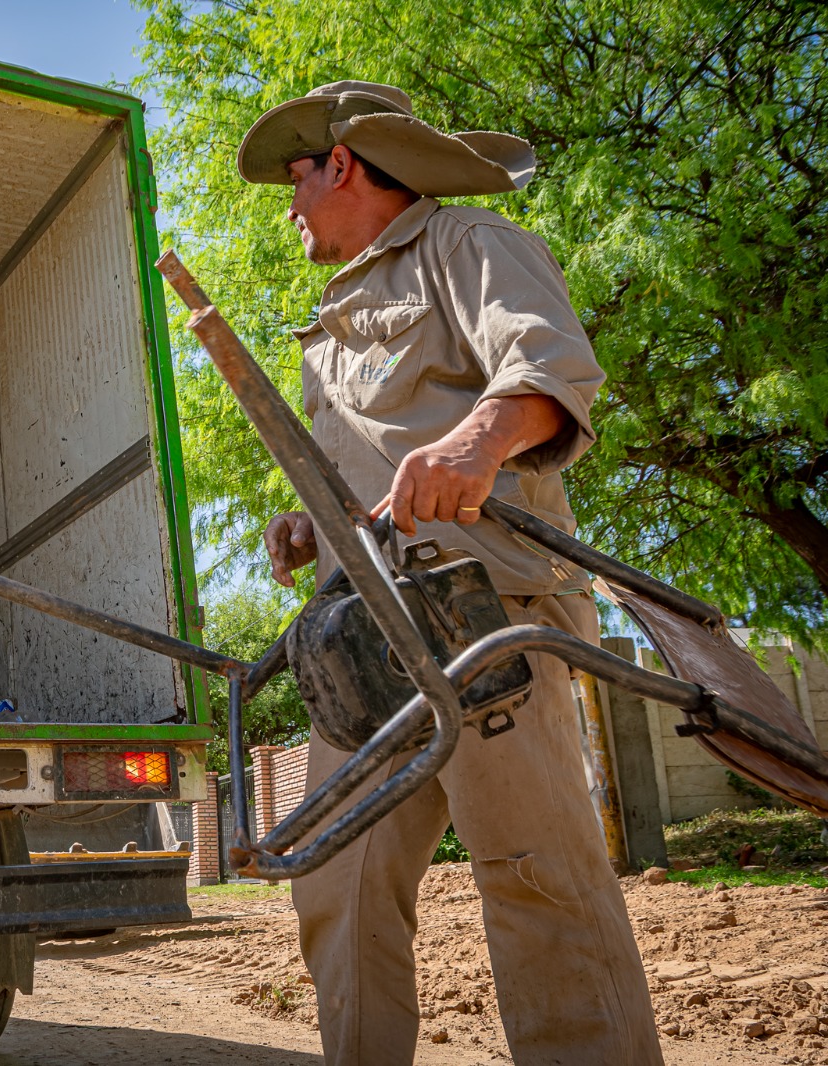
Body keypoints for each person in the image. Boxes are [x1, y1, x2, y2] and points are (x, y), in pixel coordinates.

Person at [236, 82, 664, 1064]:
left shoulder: (466, 242)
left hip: (483, 611)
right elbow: (384, 464)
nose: (289, 206)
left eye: (294, 182)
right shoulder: (334, 314)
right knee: (334, 877)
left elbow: (550, 371)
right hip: (362, 635)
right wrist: (318, 523)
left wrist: (477, 445)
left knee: (534, 876)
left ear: (339, 163)